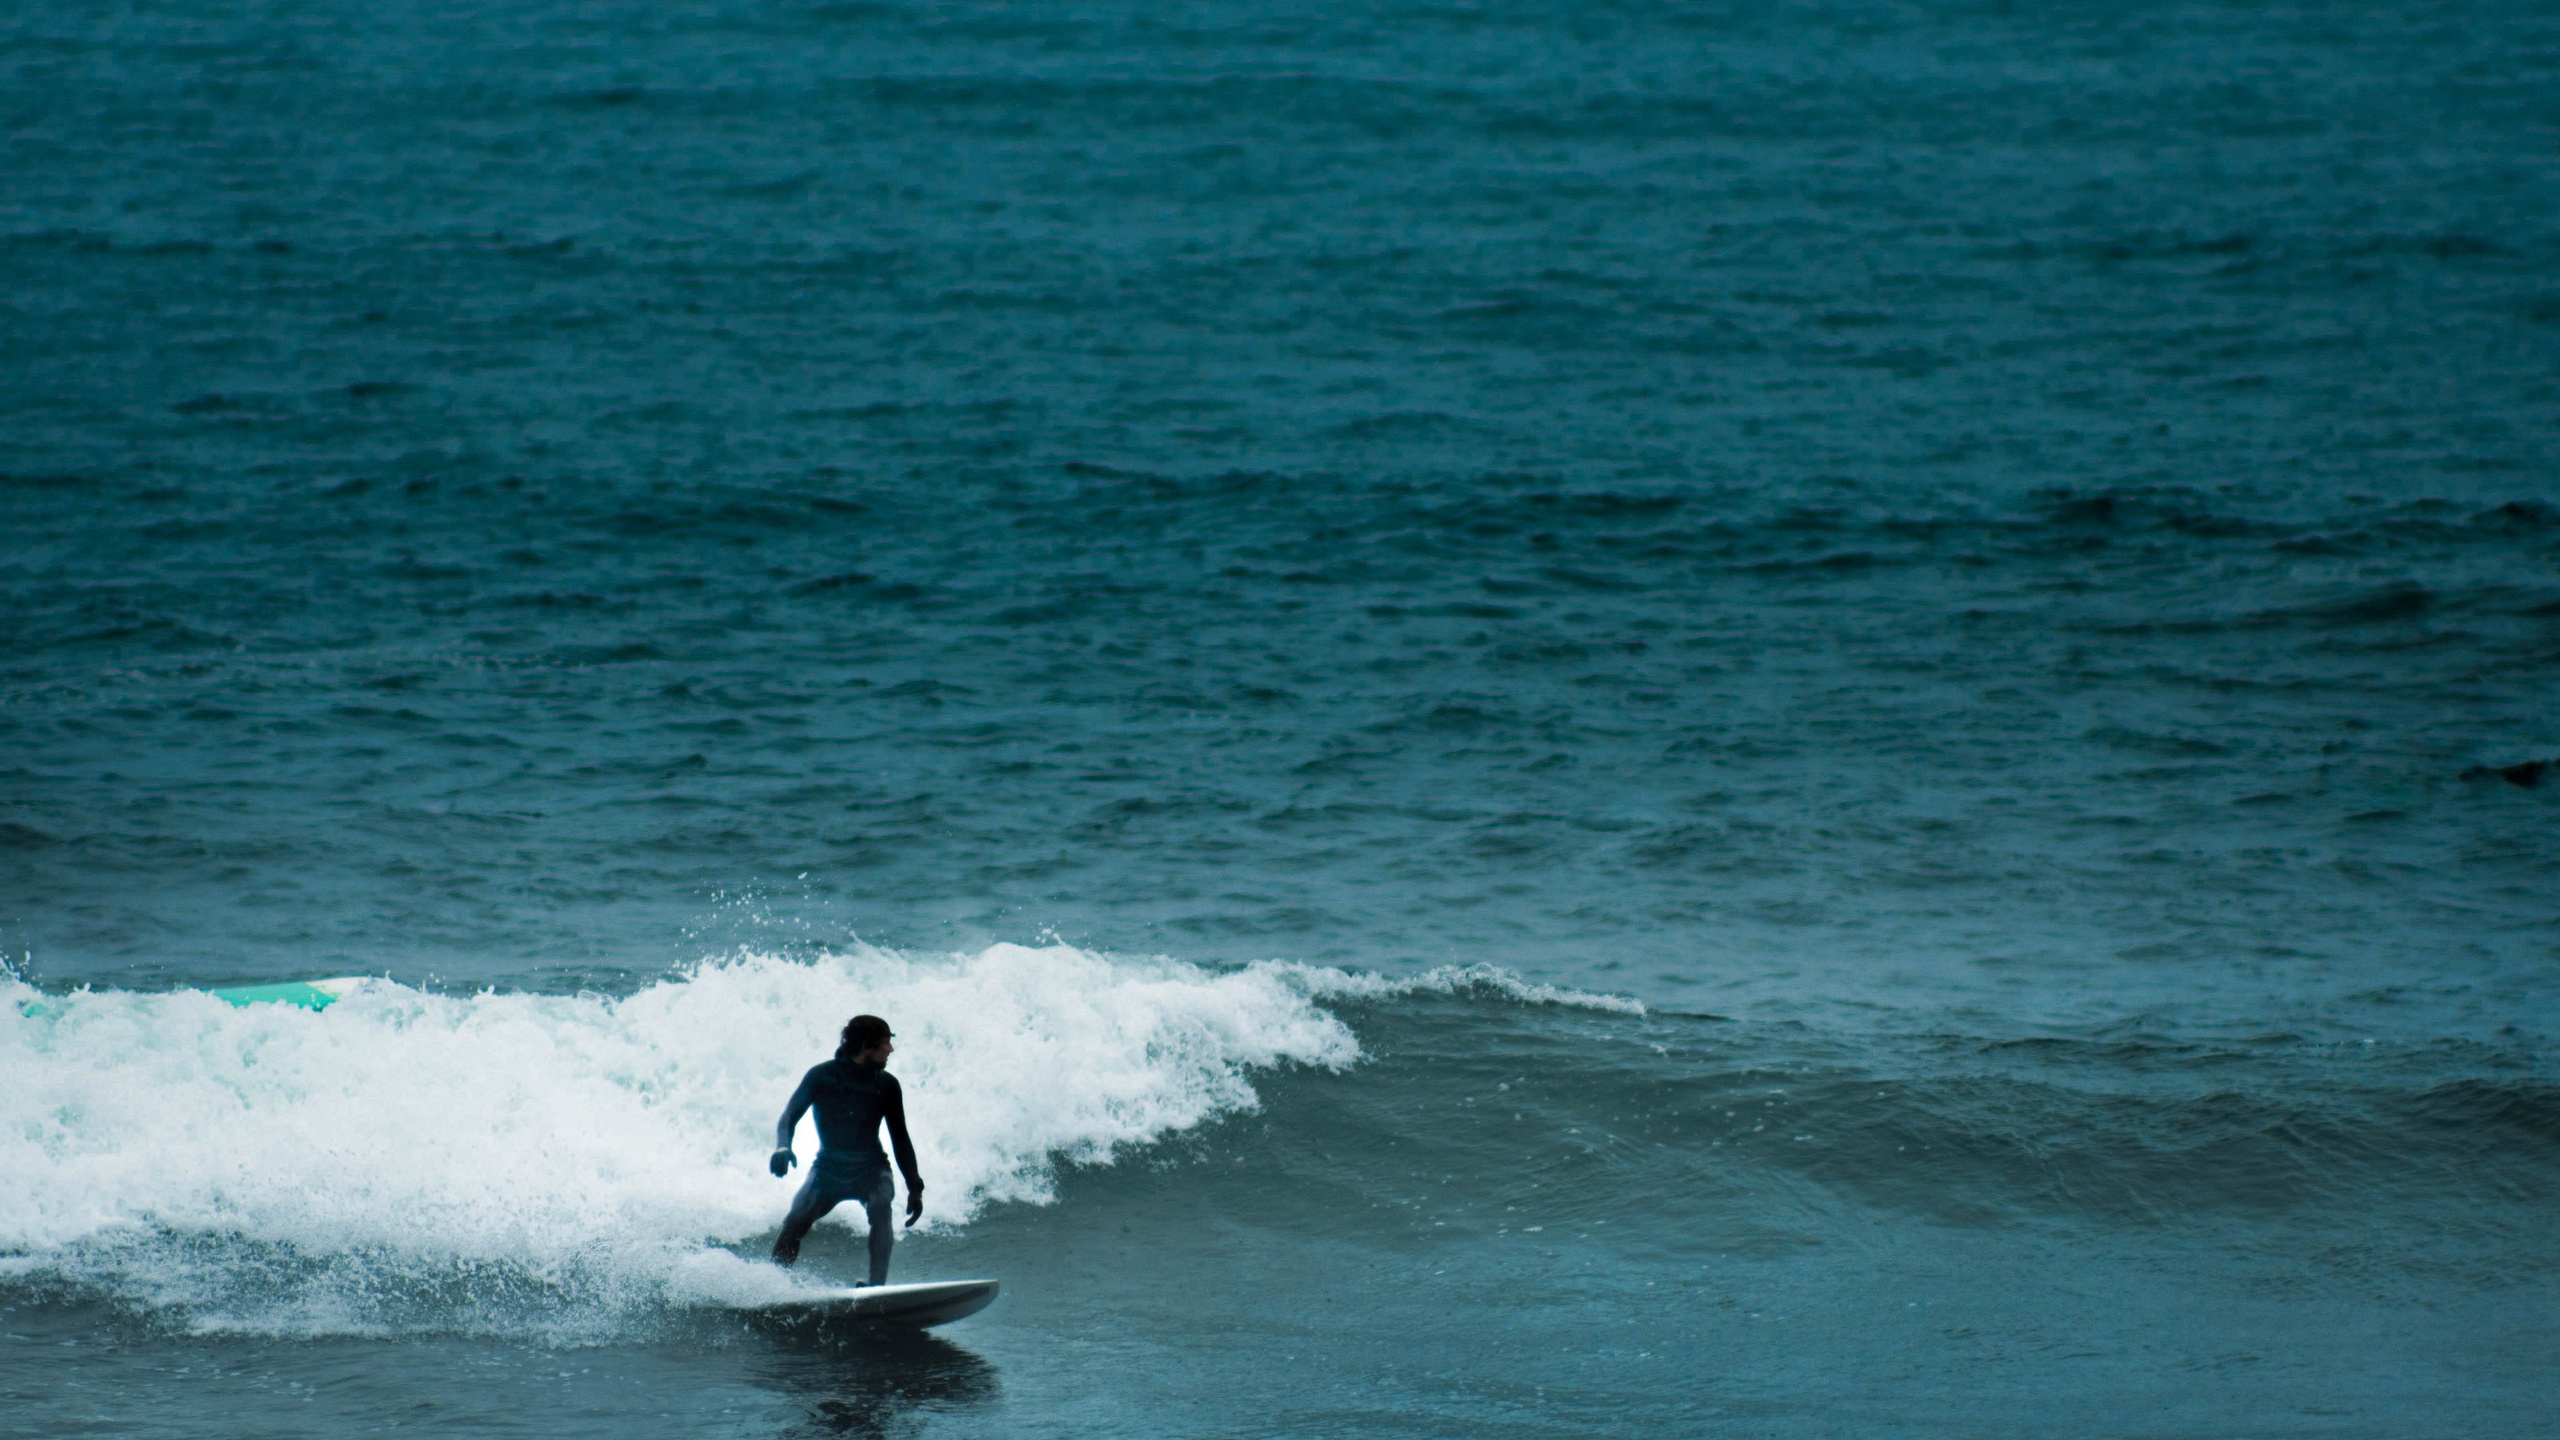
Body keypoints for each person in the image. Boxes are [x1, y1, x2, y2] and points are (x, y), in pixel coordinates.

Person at [768, 1014, 926, 1283]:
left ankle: (876, 1287)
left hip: (871, 1170)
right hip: (828, 1170)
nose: (891, 1049)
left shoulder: (887, 1085)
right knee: (795, 1221)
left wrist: (915, 1186)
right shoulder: (822, 1076)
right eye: (886, 1042)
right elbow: (790, 1116)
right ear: (866, 1046)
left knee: (880, 1206)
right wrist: (783, 1147)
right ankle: (773, 1285)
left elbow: (900, 1138)